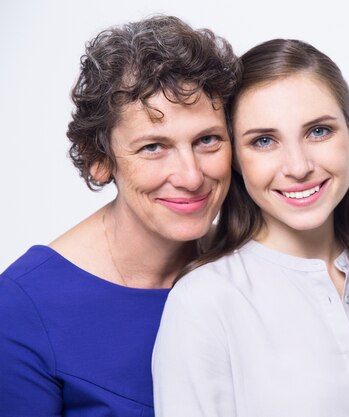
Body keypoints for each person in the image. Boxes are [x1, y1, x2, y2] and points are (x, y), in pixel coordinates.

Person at [152, 39, 349, 417]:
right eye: (263, 141)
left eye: (318, 132)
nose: (298, 166)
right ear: (236, 159)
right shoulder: (204, 304)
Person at [0, 15, 239, 416]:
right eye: (153, 147)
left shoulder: (252, 265)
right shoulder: (20, 309)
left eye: (207, 140)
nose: (191, 175)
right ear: (99, 159)